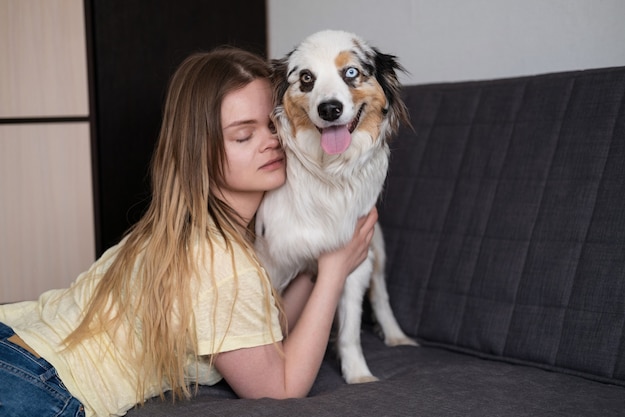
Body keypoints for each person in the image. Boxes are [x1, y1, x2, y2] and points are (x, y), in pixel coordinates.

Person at [0, 47, 377, 417]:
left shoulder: (180, 230)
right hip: (35, 385)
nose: (271, 141)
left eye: (274, 124)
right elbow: (279, 388)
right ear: (200, 152)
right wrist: (333, 272)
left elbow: (259, 334)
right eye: (243, 136)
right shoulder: (222, 266)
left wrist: (313, 269)